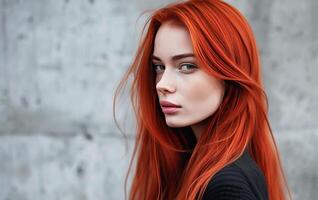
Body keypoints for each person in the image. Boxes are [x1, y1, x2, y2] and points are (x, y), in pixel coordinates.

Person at [113, 0, 292, 199]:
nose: (161, 84)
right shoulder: (196, 167)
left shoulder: (228, 187)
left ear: (229, 75)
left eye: (186, 66)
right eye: (159, 67)